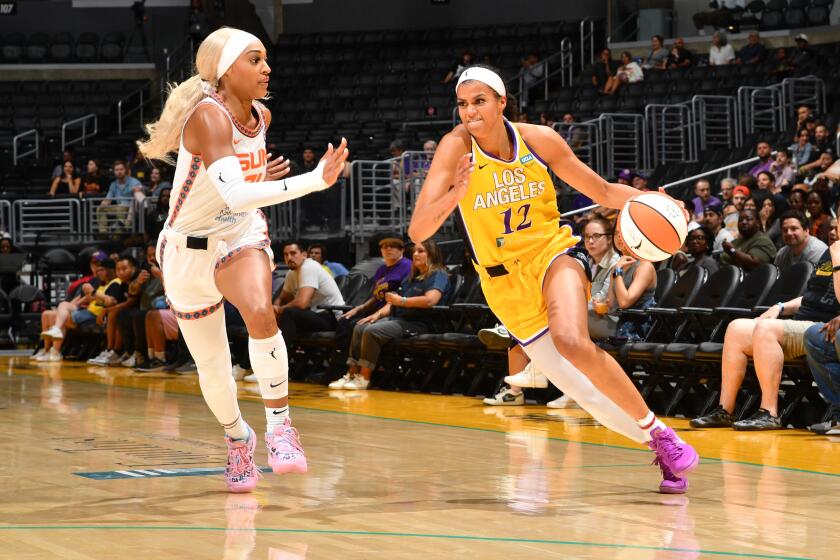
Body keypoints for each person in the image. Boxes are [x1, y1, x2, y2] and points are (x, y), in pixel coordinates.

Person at [408, 64, 699, 493]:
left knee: (573, 341)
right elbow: (418, 231)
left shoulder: (538, 139)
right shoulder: (455, 148)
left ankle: (663, 439)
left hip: (552, 253)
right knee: (585, 393)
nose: (469, 112)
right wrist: (456, 193)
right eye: (463, 104)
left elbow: (600, 190)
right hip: (503, 284)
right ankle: (659, 439)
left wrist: (655, 199)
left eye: (479, 101)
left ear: (502, 102)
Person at [136, 27, 349, 492]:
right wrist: (313, 180)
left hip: (238, 233)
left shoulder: (261, 115)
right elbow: (231, 187)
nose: (266, 68)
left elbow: (238, 192)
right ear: (225, 70)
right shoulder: (207, 119)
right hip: (186, 250)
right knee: (213, 370)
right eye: (255, 60)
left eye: (266, 59)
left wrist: (255, 173)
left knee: (259, 311)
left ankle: (280, 428)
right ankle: (238, 438)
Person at [691, 218, 840, 430]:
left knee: (766, 328)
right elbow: (808, 297)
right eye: (833, 226)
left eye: (837, 227)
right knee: (736, 328)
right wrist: (780, 307)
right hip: (802, 321)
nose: (834, 231)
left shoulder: (835, 254)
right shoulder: (830, 254)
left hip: (823, 328)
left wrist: (837, 260)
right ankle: (725, 410)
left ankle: (769, 412)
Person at [333, 239, 450, 391]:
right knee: (360, 326)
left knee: (372, 331)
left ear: (432, 254)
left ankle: (364, 377)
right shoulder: (412, 277)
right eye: (414, 251)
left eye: (421, 251)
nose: (415, 254)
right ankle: (351, 374)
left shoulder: (438, 274)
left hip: (421, 323)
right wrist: (377, 315)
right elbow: (392, 302)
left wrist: (402, 300)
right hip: (400, 319)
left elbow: (430, 300)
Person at [328, 236, 412, 388]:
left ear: (402, 250)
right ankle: (350, 373)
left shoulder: (407, 267)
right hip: (378, 310)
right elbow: (375, 297)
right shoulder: (381, 269)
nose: (388, 249)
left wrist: (377, 315)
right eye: (385, 246)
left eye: (393, 246)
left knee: (359, 326)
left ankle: (361, 376)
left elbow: (397, 298)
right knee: (348, 322)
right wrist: (358, 308)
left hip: (392, 313)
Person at [39, 258, 126, 362]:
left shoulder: (116, 283)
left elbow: (109, 302)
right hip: (89, 312)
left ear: (111, 270)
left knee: (57, 317)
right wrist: (89, 296)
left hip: (95, 315)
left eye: (102, 270)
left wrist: (93, 293)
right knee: (56, 311)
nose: (99, 273)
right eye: (98, 271)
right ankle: (50, 350)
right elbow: (95, 299)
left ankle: (54, 350)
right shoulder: (103, 284)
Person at [273, 242, 345, 351]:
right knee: (269, 316)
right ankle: (249, 363)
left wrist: (279, 310)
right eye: (286, 254)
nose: (289, 257)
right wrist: (275, 309)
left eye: (293, 253)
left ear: (304, 255)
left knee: (288, 313)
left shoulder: (309, 267)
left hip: (332, 318)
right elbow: (282, 298)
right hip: (315, 315)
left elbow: (302, 303)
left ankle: (277, 361)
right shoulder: (291, 273)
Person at [96, 160, 143, 233]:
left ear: (126, 170)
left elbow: (141, 194)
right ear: (114, 172)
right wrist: (105, 202)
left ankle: (119, 234)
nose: (119, 172)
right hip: (118, 207)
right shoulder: (113, 184)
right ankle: (103, 232)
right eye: (117, 170)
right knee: (100, 209)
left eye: (121, 169)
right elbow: (108, 198)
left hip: (131, 208)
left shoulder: (134, 182)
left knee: (120, 209)